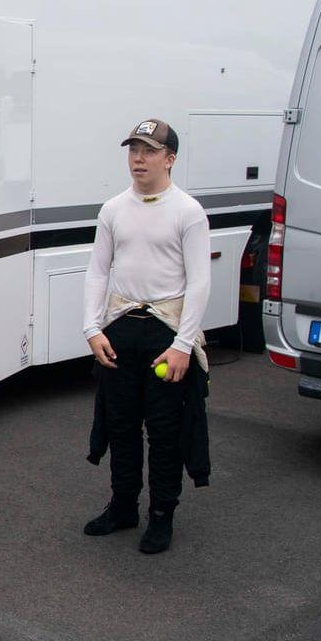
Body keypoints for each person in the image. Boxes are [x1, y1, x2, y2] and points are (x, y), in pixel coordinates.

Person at [81, 118, 211, 554]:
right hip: (120, 330)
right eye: (134, 150)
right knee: (120, 427)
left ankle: (161, 517)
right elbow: (98, 271)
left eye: (149, 150)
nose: (138, 158)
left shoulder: (188, 212)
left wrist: (182, 346)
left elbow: (199, 284)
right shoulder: (113, 209)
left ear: (169, 159)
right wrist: (92, 328)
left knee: (164, 432)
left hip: (165, 333)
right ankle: (122, 508)